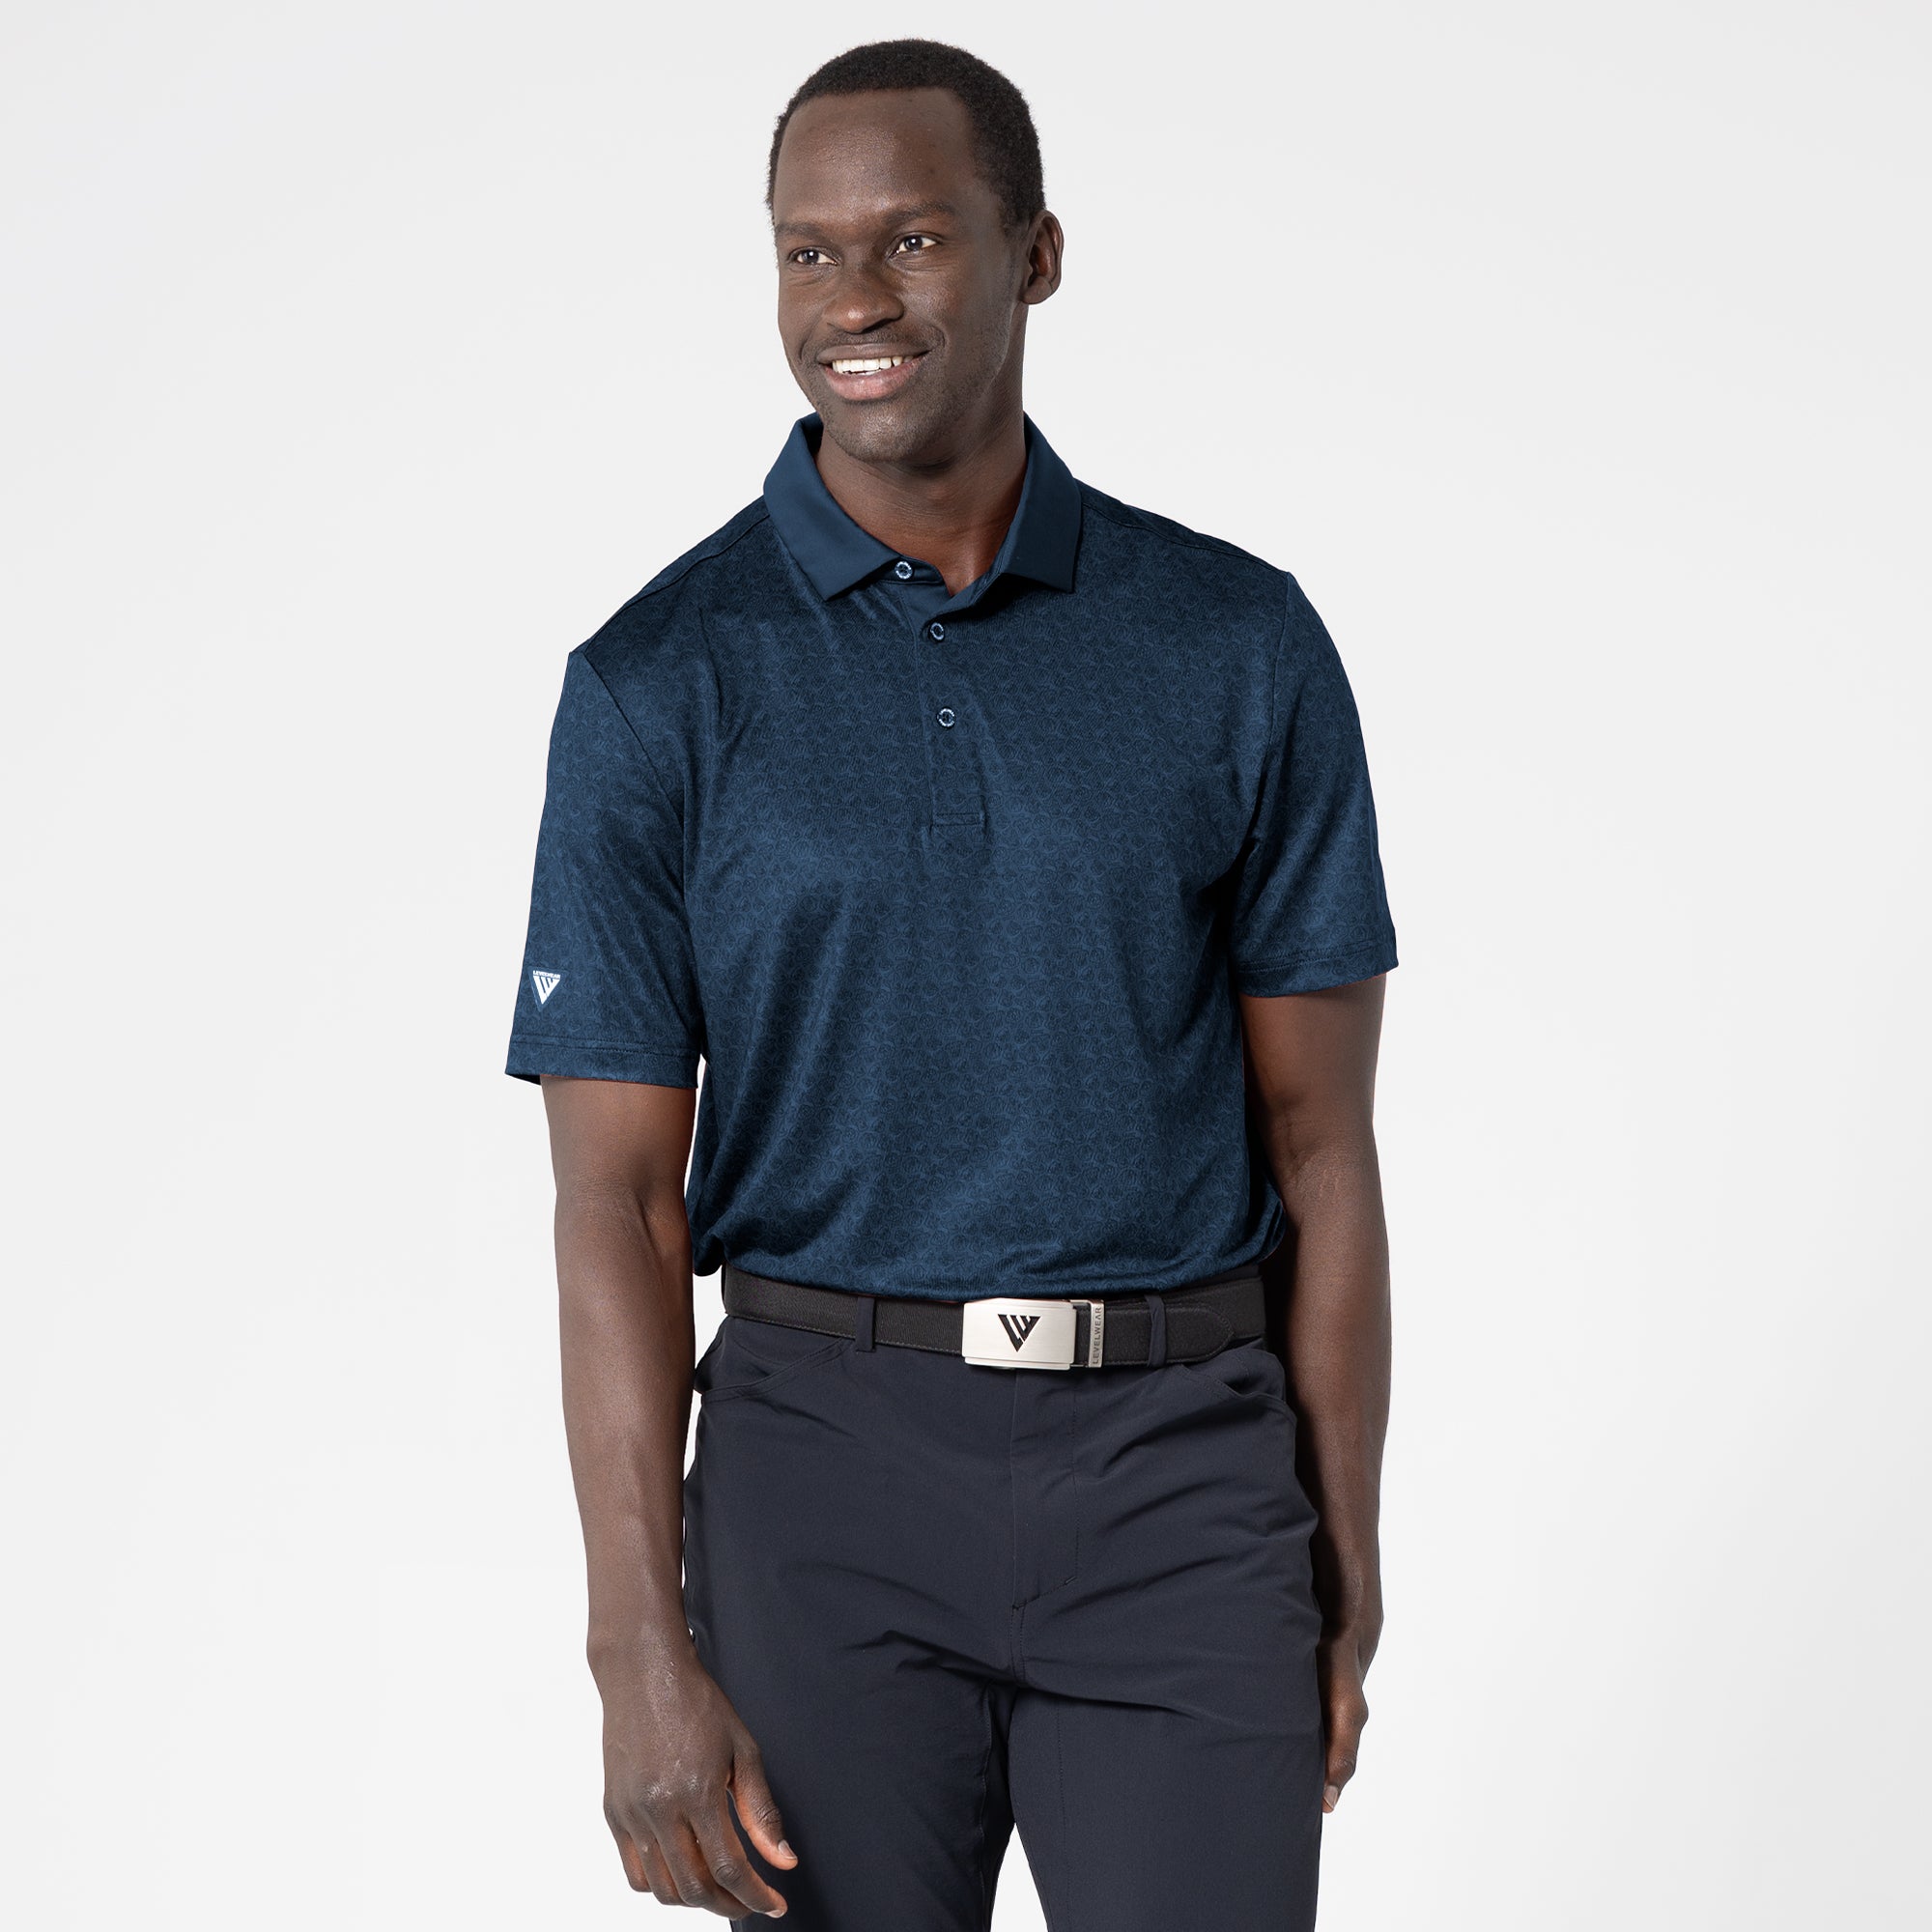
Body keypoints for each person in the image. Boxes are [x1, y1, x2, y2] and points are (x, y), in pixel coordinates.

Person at [505, 37, 1396, 1929]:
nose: (854, 300)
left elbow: (1321, 1147)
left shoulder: (1235, 642)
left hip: (1178, 1470)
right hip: (819, 1479)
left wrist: (1344, 1552)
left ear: (1034, 254)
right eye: (806, 252)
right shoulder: (656, 682)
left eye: (910, 239)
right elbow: (617, 1199)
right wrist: (633, 1650)